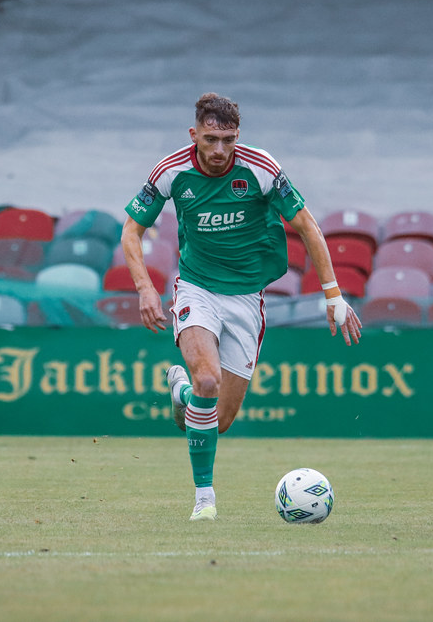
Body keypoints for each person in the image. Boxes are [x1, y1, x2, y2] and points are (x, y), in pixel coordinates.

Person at [121, 92, 362, 521]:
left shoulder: (262, 168)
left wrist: (333, 295)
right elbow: (132, 230)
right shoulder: (171, 171)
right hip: (196, 287)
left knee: (218, 420)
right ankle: (204, 500)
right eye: (210, 139)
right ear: (194, 134)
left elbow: (307, 226)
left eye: (228, 140)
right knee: (209, 382)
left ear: (238, 137)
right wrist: (144, 288)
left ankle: (180, 392)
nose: (219, 150)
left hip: (247, 297)